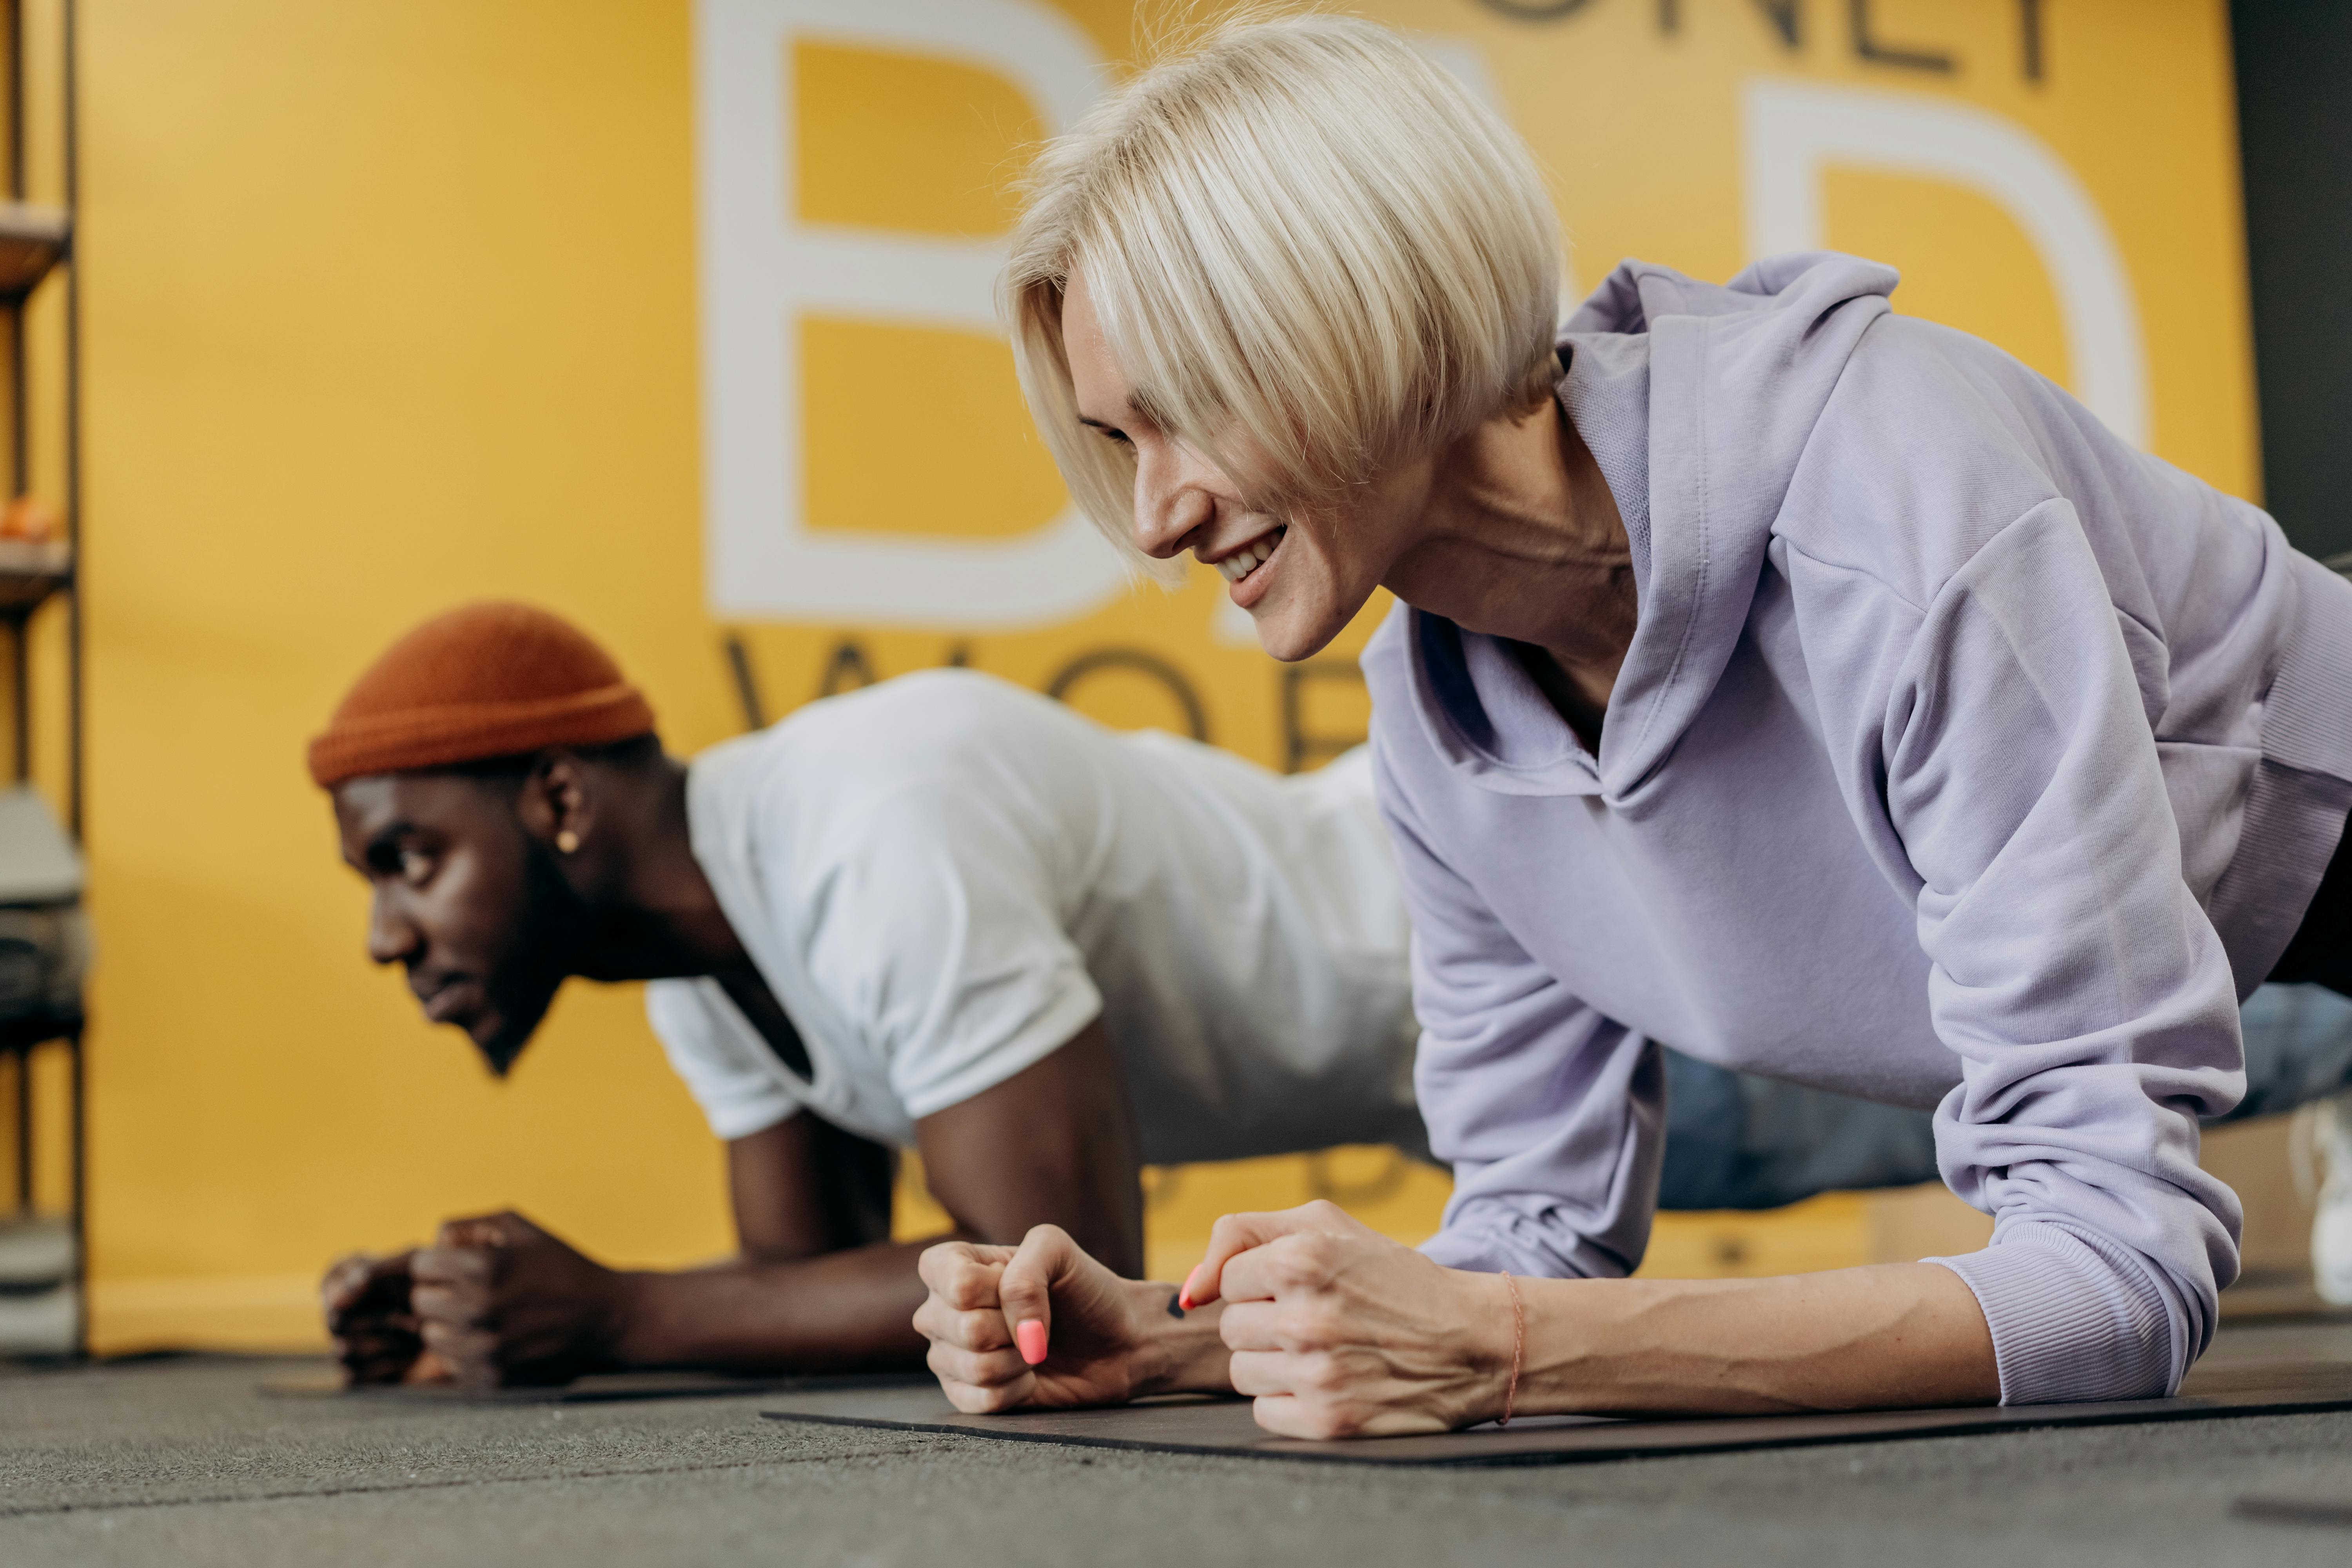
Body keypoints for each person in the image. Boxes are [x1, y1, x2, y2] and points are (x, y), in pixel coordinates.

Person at [910, 13, 2352, 1436]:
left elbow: (2118, 1278)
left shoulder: (1893, 504)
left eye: (1187, 414)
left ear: (1359, 309)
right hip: (2238, 919)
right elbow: (1529, 1238)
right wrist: (1185, 1340)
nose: (1157, 515)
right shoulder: (1437, 732)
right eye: (1120, 440)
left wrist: (1503, 1348)